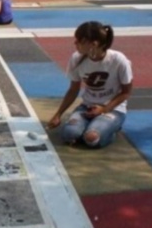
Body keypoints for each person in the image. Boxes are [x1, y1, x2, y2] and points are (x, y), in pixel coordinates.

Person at [47, 21, 133, 149]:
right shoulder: (76, 58)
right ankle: (94, 126)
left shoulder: (118, 60)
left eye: (79, 41)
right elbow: (73, 89)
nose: (75, 43)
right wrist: (58, 114)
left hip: (112, 109)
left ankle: (110, 130)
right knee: (68, 135)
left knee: (91, 138)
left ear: (94, 44)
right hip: (87, 107)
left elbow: (126, 92)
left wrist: (104, 109)